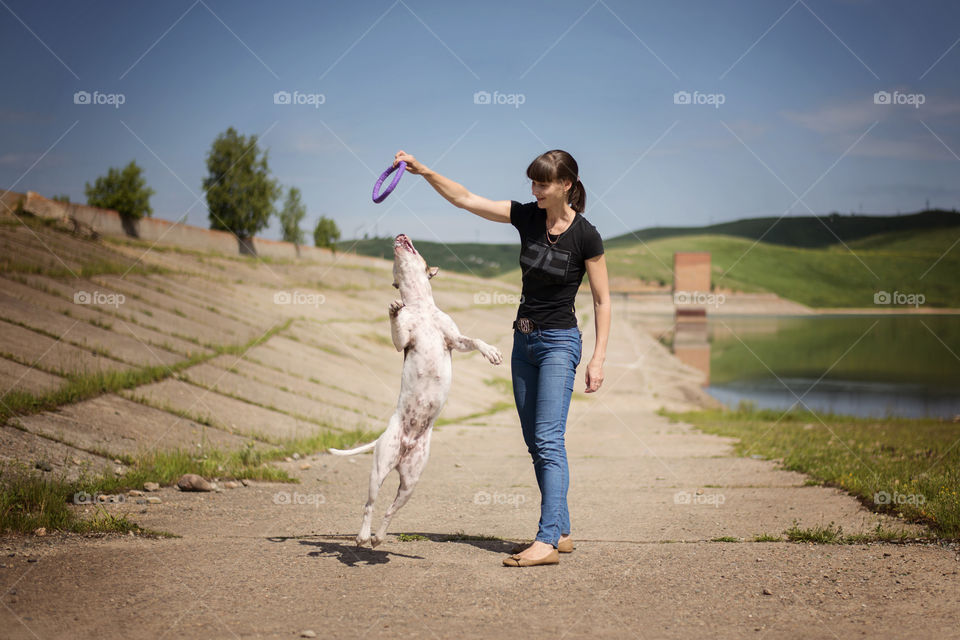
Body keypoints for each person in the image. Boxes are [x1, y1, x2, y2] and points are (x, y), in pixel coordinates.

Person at [392, 148, 610, 567]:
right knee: (535, 442)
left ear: (566, 184)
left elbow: (602, 301)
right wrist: (423, 170)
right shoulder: (527, 217)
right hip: (523, 343)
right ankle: (561, 529)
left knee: (548, 439)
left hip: (560, 343)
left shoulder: (587, 236)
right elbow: (465, 199)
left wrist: (597, 358)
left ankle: (545, 541)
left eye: (543, 183)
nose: (535, 190)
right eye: (533, 182)